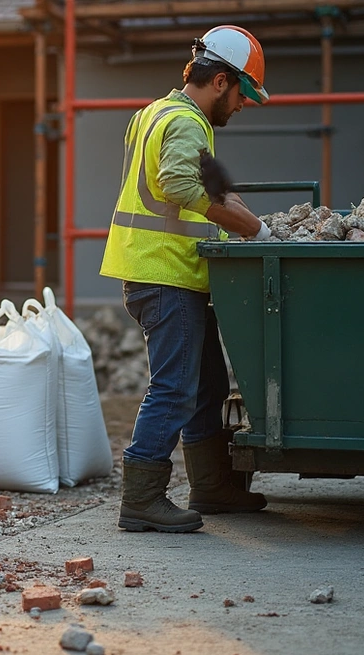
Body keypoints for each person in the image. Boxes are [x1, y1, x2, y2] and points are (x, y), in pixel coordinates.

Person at [100, 26, 272, 533]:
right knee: (175, 387)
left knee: (208, 384)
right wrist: (249, 228)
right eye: (244, 94)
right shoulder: (186, 122)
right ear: (221, 81)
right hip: (164, 273)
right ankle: (142, 498)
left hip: (169, 272)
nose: (243, 106)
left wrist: (247, 214)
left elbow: (207, 182)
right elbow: (176, 182)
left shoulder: (158, 113)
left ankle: (211, 486)